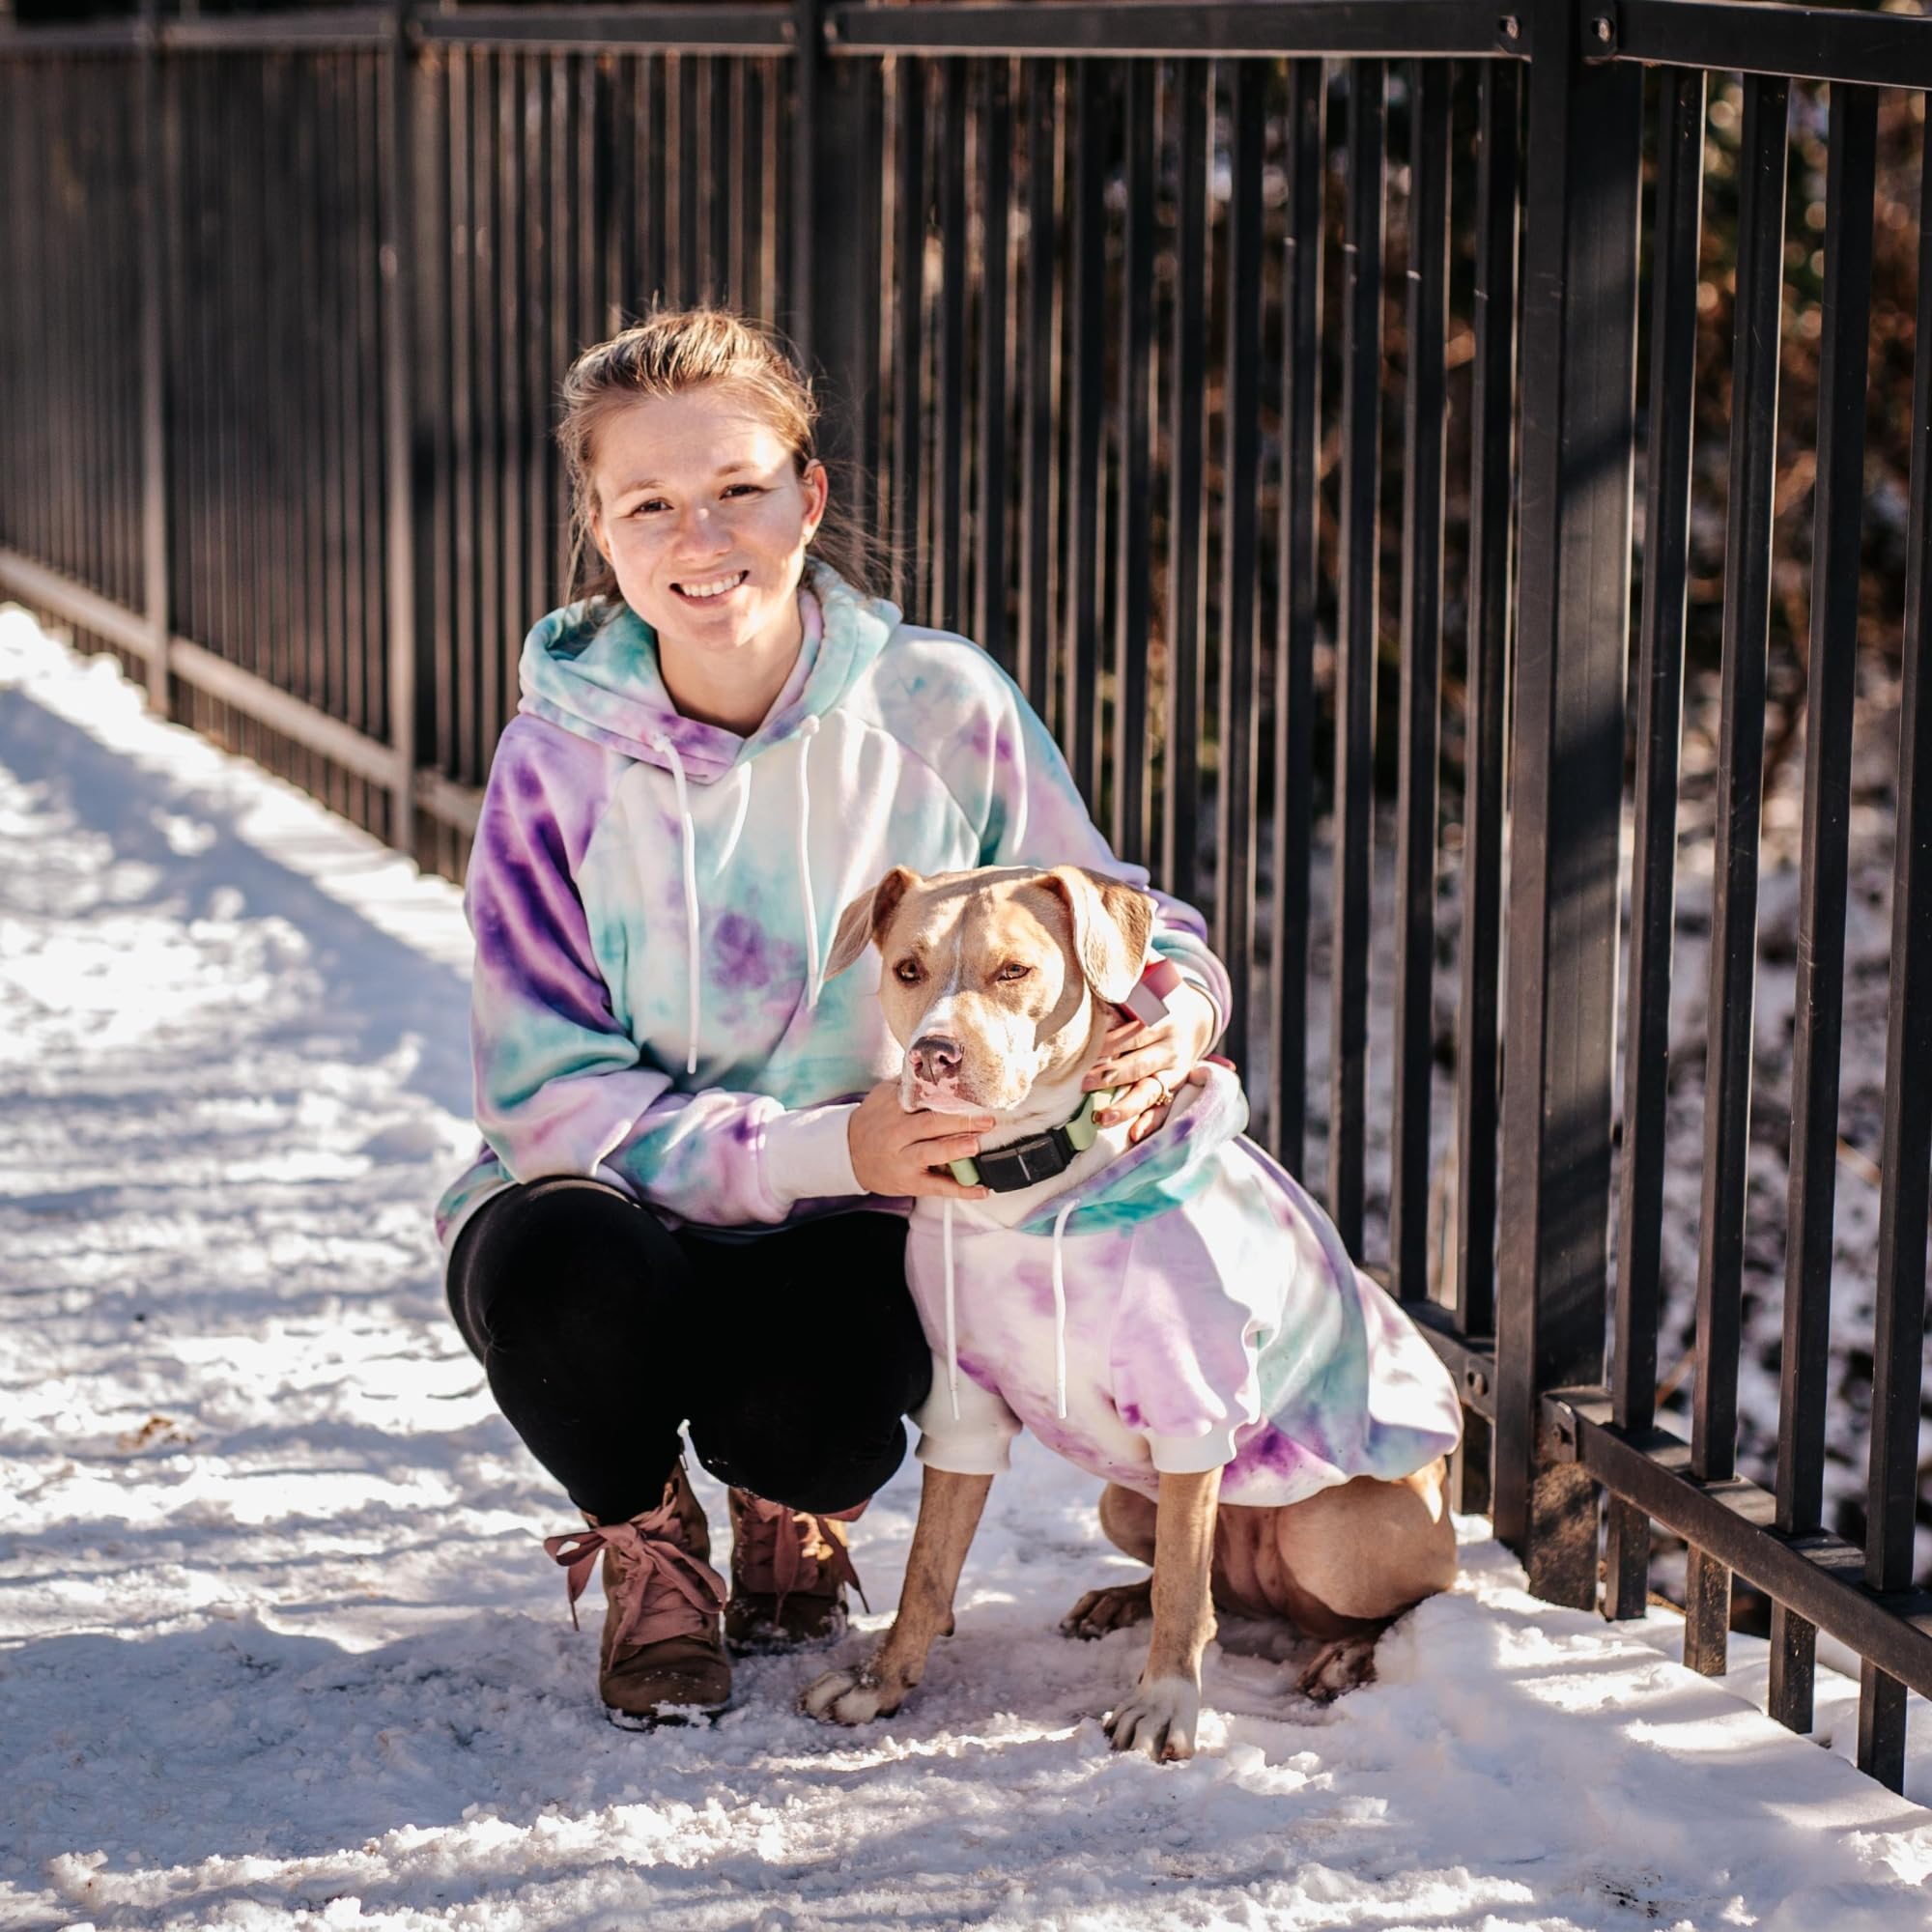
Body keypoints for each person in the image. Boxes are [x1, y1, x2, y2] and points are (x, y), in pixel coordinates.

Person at [435, 306, 1231, 1726]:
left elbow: (1107, 911)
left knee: (834, 1398)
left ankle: (783, 1500)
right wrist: (825, 1147)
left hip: (861, 1219)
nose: (702, 536)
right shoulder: (553, 762)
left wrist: (1182, 1003)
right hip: (627, 1208)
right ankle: (647, 1537)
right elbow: (544, 1096)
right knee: (546, 1260)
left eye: (739, 487)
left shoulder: (938, 703)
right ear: (602, 533)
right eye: (651, 504)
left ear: (807, 497)